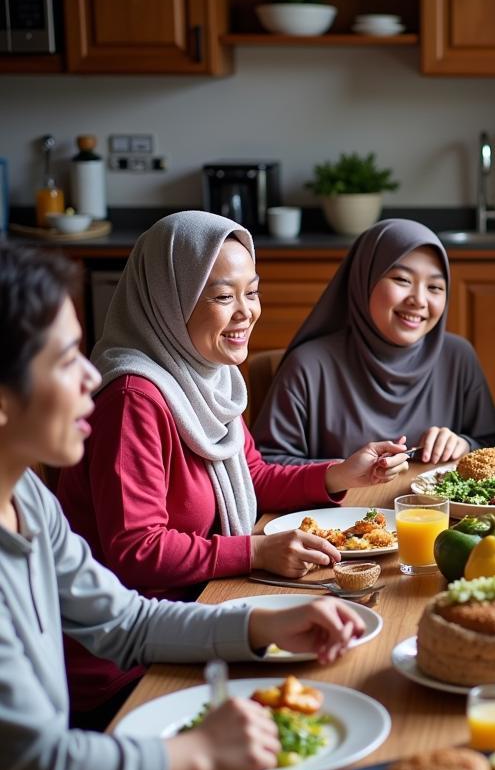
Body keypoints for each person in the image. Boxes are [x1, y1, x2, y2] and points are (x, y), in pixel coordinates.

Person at [0, 244, 368, 770]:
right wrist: (196, 753)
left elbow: (127, 623)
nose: (93, 375)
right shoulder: (132, 394)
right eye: (66, 360)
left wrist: (261, 626)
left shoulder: (25, 494)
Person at [56, 212, 407, 723]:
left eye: (252, 292)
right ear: (168, 301)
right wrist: (257, 550)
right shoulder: (133, 397)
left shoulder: (206, 376)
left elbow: (252, 478)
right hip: (128, 668)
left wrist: (340, 474)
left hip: (200, 612)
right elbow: (135, 550)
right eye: (223, 297)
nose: (246, 312)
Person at [254, 218, 495, 465]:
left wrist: (465, 444)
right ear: (365, 279)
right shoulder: (309, 365)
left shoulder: (458, 356)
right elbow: (267, 466)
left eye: (435, 287)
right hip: (340, 507)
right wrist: (341, 472)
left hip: (434, 507)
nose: (419, 300)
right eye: (402, 280)